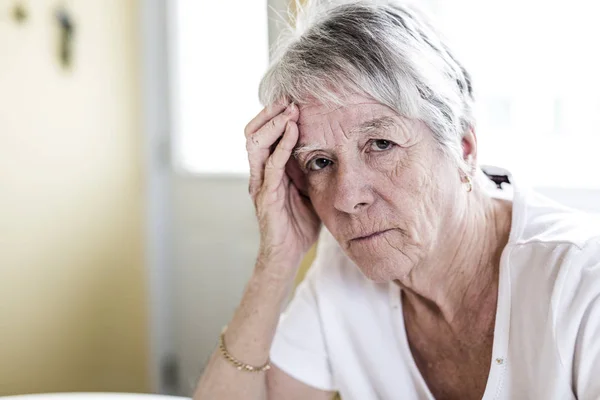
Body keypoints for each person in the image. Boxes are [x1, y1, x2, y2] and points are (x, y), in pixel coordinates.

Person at [194, 1, 600, 399]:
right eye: (320, 161)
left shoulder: (582, 281)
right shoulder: (340, 275)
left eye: (381, 143)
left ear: (463, 148)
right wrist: (277, 259)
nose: (347, 198)